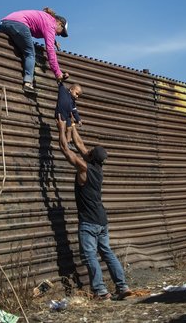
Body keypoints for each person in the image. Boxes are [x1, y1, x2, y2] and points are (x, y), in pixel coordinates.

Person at [57, 117, 133, 301]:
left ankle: (100, 292)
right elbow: (80, 144)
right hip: (102, 220)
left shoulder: (84, 168)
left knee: (90, 256)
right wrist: (72, 126)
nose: (87, 149)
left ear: (90, 156)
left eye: (89, 151)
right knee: (107, 252)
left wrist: (61, 128)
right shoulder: (97, 168)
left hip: (89, 222)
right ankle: (122, 287)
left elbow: (66, 150)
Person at [0, 7, 70, 94]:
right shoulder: (51, 24)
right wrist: (57, 73)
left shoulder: (46, 19)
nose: (59, 35)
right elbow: (50, 50)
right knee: (30, 54)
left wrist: (54, 41)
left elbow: (43, 30)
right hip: (19, 24)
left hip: (4, 23)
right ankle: (28, 83)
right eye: (62, 32)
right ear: (59, 23)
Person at [55, 82, 83, 150]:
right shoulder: (63, 92)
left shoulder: (73, 102)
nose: (77, 96)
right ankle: (63, 142)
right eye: (76, 94)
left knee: (69, 128)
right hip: (60, 113)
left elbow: (74, 111)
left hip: (67, 116)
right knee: (63, 128)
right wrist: (62, 78)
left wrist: (78, 119)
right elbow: (60, 82)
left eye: (78, 96)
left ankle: (68, 142)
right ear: (71, 89)